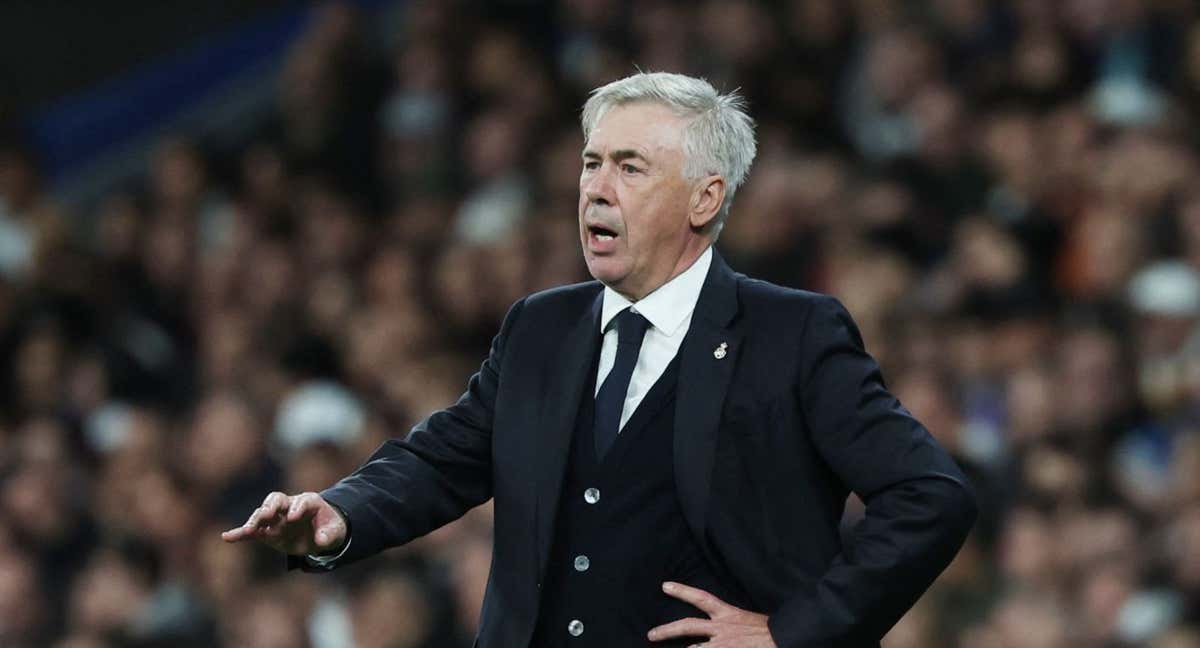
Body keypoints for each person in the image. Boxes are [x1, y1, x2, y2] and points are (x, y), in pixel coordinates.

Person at [223, 71, 977, 647]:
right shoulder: (540, 327)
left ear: (705, 198)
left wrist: (793, 632)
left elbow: (930, 497)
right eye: (590, 163)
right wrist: (341, 514)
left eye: (629, 167)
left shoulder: (794, 333)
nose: (595, 189)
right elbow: (445, 458)